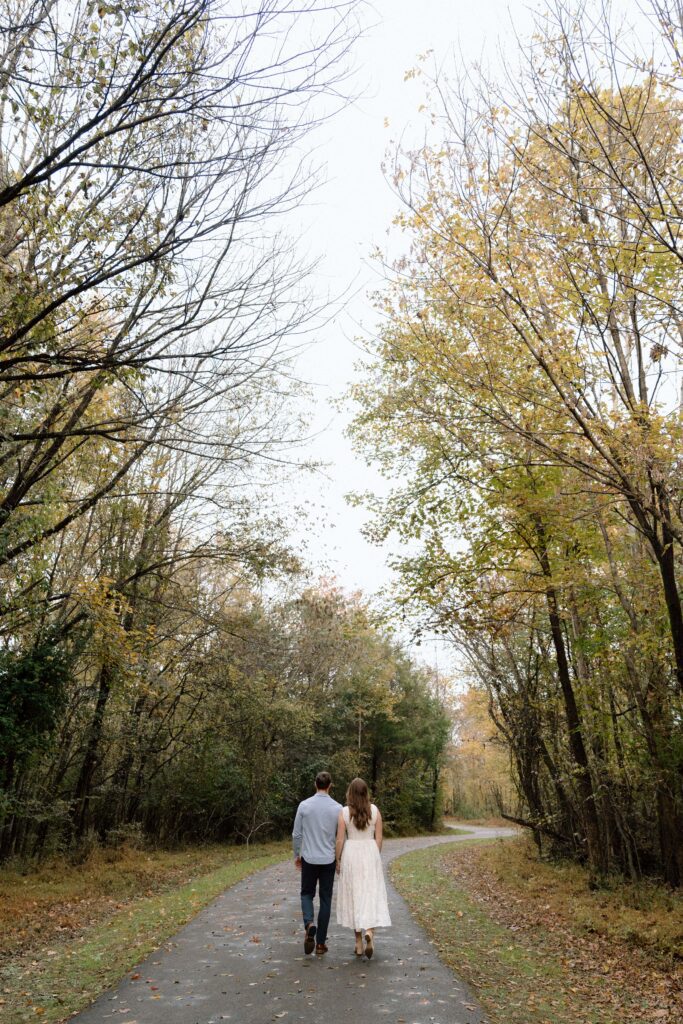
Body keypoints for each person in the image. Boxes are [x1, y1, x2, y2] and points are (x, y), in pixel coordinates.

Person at [335, 776, 391, 959]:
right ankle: (369, 931)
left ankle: (358, 943)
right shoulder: (375, 811)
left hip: (351, 854)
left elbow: (340, 839)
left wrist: (338, 859)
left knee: (354, 895)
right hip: (370, 852)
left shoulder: (344, 812)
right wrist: (375, 855)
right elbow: (380, 838)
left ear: (350, 793)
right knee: (369, 894)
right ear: (366, 792)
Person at [292, 770, 342, 955]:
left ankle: (309, 923)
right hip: (328, 859)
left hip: (310, 858)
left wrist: (297, 855)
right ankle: (320, 944)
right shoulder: (338, 808)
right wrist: (339, 858)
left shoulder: (304, 806)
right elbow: (340, 836)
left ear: (316, 784)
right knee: (326, 899)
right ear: (330, 786)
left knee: (306, 893)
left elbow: (297, 834)